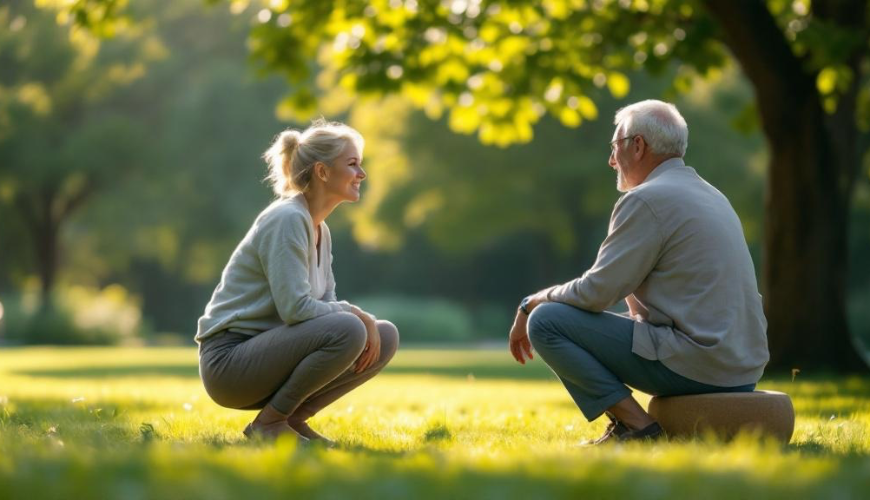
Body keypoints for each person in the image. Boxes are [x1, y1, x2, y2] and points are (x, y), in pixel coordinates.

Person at [508, 100, 769, 444]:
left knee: (547, 320)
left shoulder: (647, 199)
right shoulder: (712, 195)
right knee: (568, 317)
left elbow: (596, 293)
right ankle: (629, 425)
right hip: (742, 368)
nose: (611, 160)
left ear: (637, 145)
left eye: (614, 147)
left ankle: (639, 427)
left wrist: (531, 302)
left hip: (700, 364)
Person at [196, 119, 399, 443]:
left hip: (266, 355)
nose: (362, 174)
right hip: (229, 364)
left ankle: (289, 420)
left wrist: (360, 318)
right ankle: (270, 424)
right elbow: (296, 309)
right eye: (352, 164)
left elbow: (326, 301)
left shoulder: (319, 228)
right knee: (351, 327)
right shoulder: (287, 219)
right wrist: (357, 315)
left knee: (385, 336)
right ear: (322, 172)